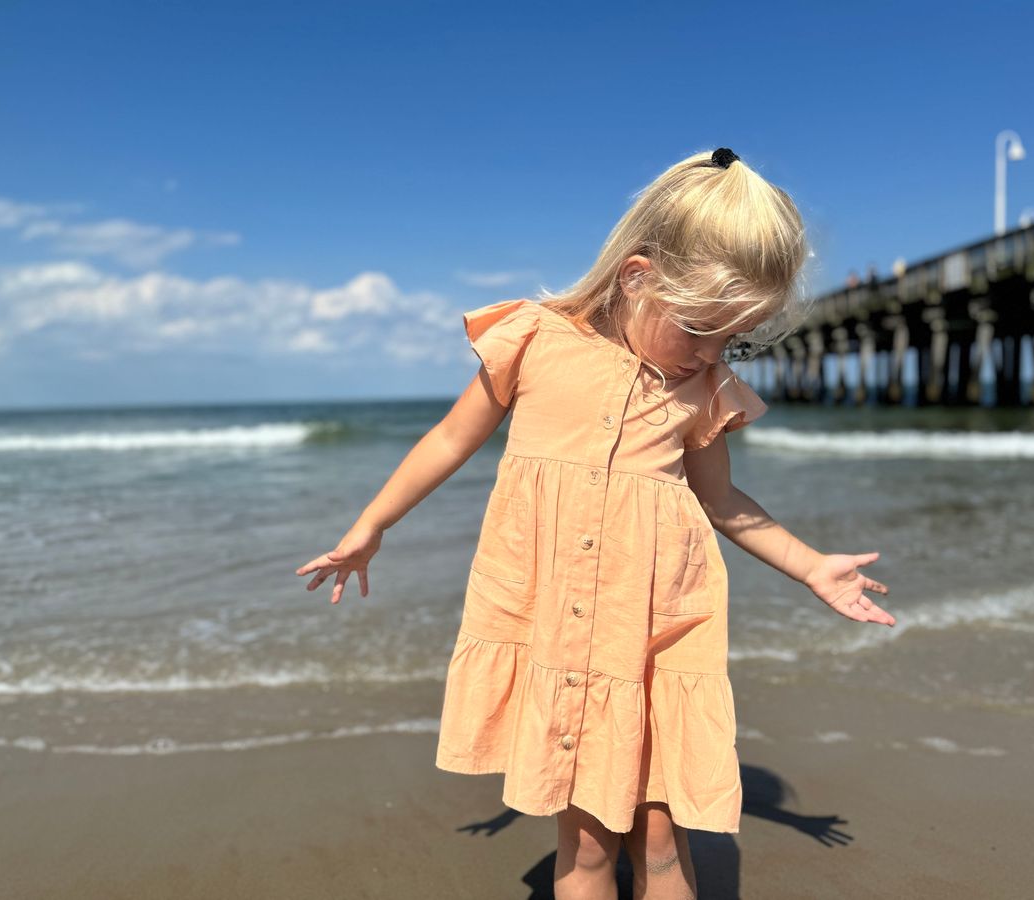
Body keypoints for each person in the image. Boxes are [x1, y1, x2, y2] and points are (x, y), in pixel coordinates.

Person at [295, 147, 896, 900]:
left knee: (663, 846)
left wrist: (810, 565)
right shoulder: (534, 338)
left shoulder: (704, 387)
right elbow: (453, 437)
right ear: (638, 277)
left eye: (731, 341)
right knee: (583, 853)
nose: (711, 355)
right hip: (566, 638)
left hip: (656, 633)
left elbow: (724, 503)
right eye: (700, 329)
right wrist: (372, 524)